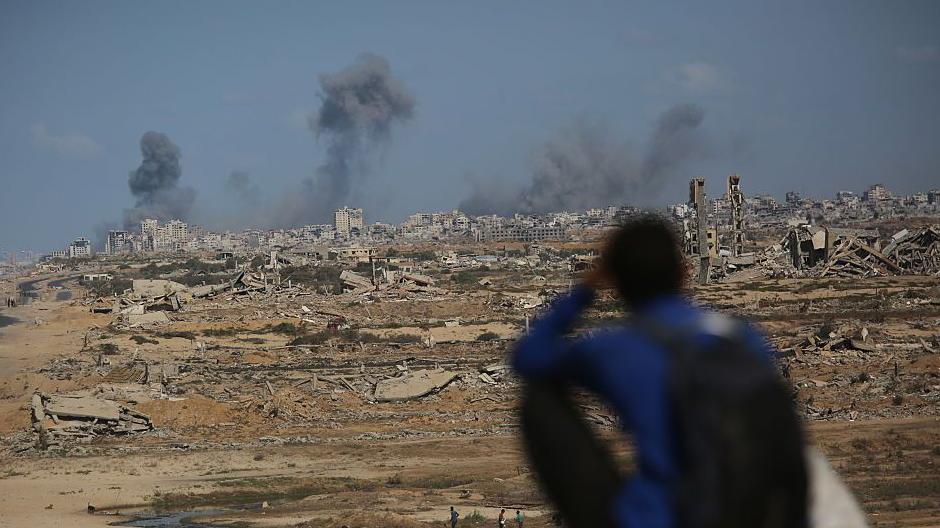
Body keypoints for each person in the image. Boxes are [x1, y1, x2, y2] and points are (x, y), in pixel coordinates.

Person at [512, 216, 808, 528]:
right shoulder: (741, 338)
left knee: (539, 399)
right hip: (750, 513)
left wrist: (585, 289)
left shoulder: (616, 351)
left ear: (617, 283)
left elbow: (527, 357)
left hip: (658, 516)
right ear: (682, 272)